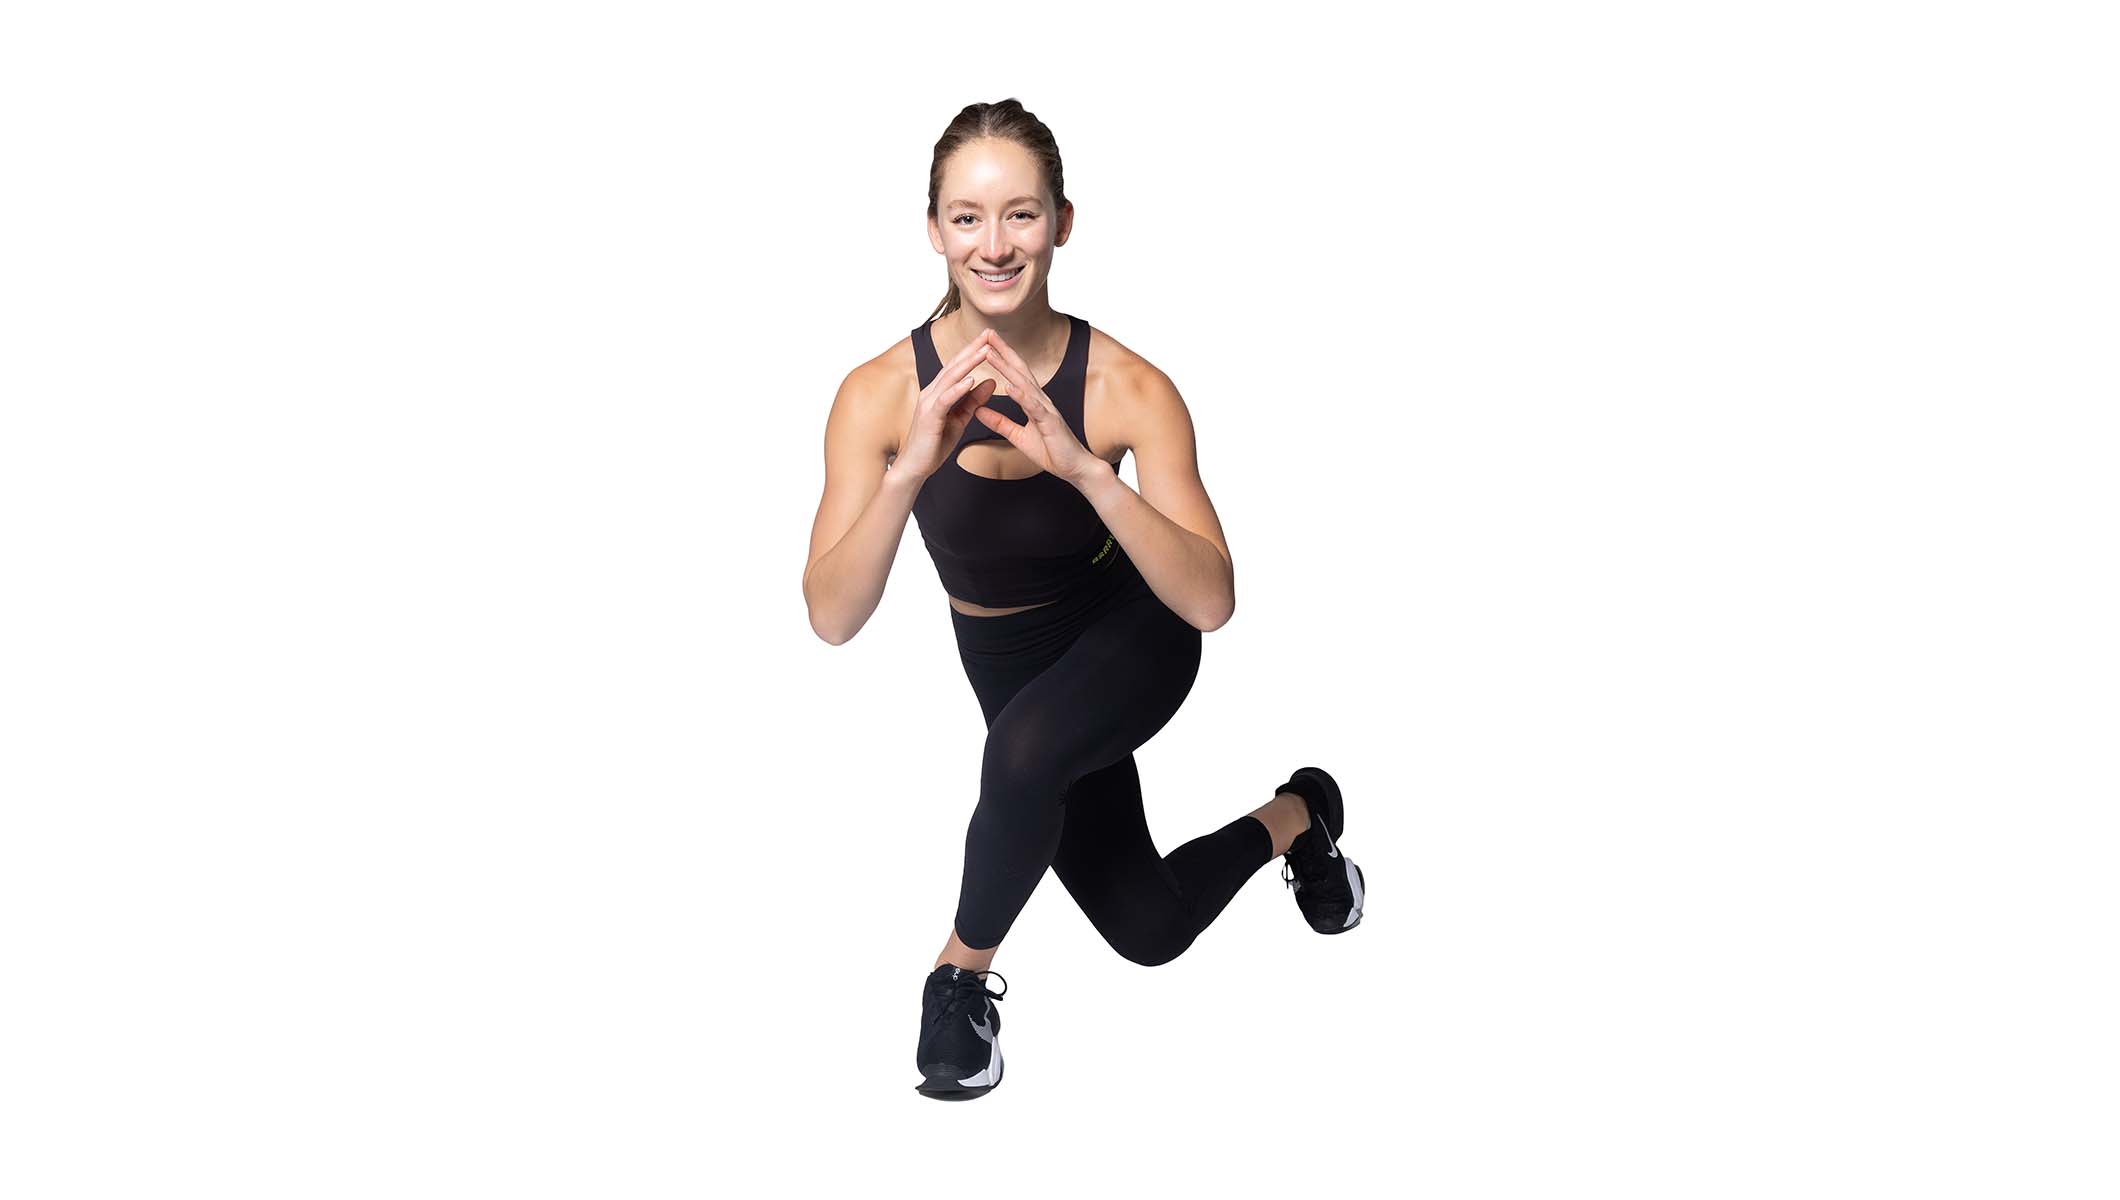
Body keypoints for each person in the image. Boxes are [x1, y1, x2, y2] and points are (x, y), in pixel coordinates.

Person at [801, 99, 1366, 1101]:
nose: (993, 244)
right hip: (1007, 666)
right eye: (967, 217)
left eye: (1020, 214)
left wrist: (1088, 473)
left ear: (1061, 223)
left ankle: (955, 985)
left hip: (1132, 631)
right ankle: (1302, 812)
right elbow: (832, 618)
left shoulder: (1130, 388)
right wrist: (905, 475)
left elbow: (1208, 601)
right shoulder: (876, 395)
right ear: (932, 230)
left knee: (1020, 753)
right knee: (1147, 928)